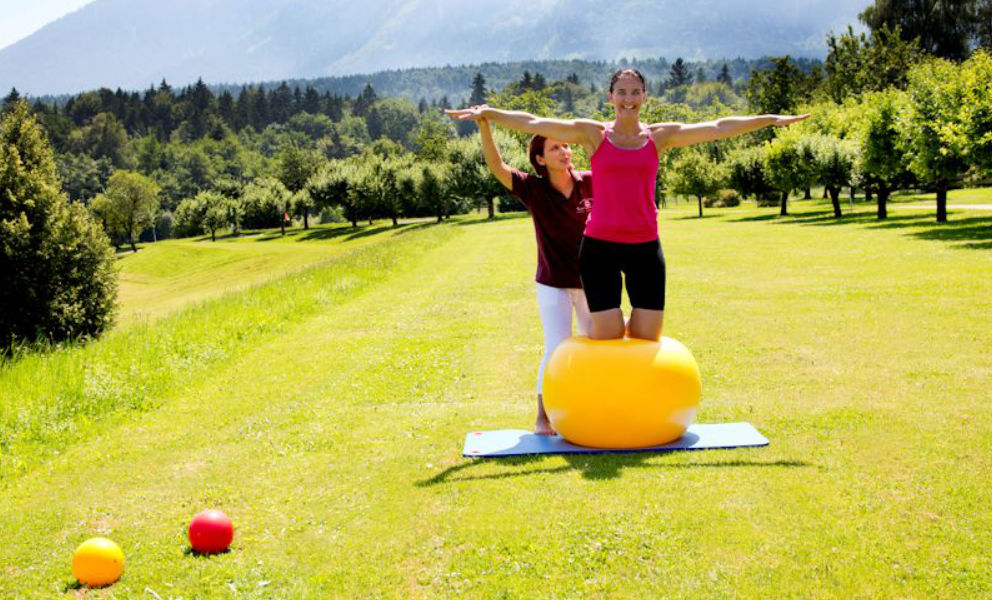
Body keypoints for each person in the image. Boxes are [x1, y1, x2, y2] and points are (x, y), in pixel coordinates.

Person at [447, 69, 809, 342]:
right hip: (600, 249)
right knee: (606, 337)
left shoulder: (660, 137)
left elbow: (716, 126)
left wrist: (770, 120)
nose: (629, 98)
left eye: (635, 92)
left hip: (645, 249)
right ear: (610, 97)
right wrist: (490, 114)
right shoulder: (593, 134)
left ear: (645, 96)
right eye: (622, 92)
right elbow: (534, 122)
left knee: (646, 336)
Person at [475, 113, 593, 435]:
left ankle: (595, 407)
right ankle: (543, 417)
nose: (564, 152)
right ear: (540, 159)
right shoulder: (533, 189)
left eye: (567, 145)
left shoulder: (590, 181)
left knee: (599, 343)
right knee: (557, 347)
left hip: (592, 283)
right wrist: (485, 127)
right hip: (553, 283)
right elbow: (497, 167)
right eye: (555, 148)